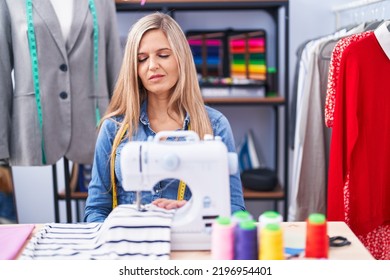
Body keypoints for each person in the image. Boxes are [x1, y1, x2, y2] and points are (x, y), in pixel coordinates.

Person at [84, 12, 245, 223]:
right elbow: (96, 209)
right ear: (135, 69)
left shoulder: (215, 125)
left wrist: (193, 211)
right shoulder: (114, 128)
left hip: (190, 246)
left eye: (163, 55)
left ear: (181, 59)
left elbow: (234, 210)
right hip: (131, 248)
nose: (152, 66)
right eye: (142, 59)